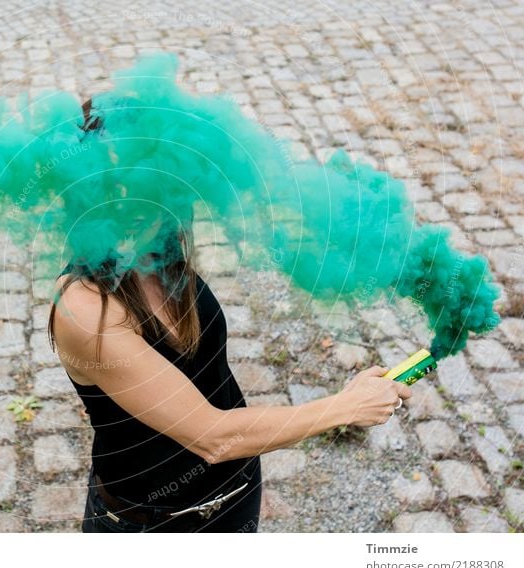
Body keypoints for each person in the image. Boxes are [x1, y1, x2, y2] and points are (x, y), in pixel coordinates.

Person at [45, 99, 413, 533]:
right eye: (110, 185)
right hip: (160, 526)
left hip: (235, 495)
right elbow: (212, 436)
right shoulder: (87, 308)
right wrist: (346, 407)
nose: (131, 199)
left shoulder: (158, 243)